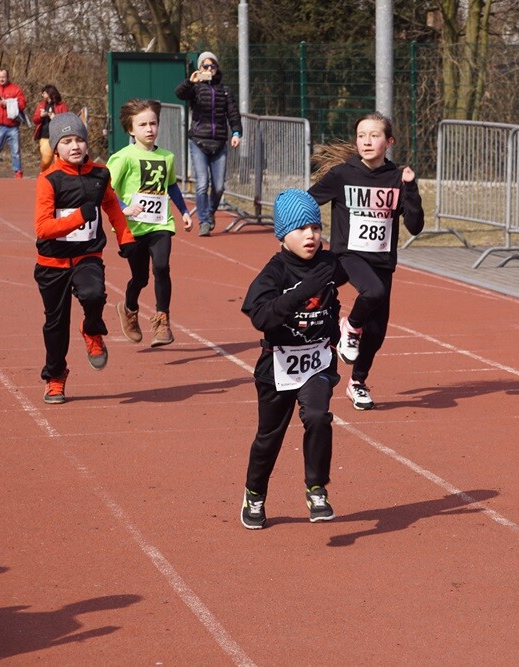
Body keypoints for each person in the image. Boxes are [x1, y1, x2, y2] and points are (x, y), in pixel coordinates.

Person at [239, 189, 346, 529]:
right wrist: (302, 291)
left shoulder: (329, 263)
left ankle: (316, 489)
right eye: (301, 229)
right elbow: (260, 316)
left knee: (317, 416)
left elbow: (360, 268)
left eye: (315, 227)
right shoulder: (274, 272)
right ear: (283, 235)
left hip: (317, 362)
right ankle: (254, 494)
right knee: (269, 438)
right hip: (278, 366)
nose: (310, 235)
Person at [308, 112, 425, 411]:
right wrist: (300, 231)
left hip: (382, 260)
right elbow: (307, 201)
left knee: (377, 333)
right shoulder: (342, 175)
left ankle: (357, 382)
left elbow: (415, 226)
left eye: (374, 135)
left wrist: (411, 188)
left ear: (389, 141)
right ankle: (350, 326)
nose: (367, 141)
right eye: (361, 136)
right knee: (373, 292)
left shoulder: (397, 178)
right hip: (348, 254)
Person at [34, 113, 136, 404]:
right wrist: (79, 216)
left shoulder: (100, 175)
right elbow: (43, 228)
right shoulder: (49, 180)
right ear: (56, 147)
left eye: (79, 139)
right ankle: (55, 377)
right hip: (52, 263)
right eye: (66, 141)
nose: (75, 146)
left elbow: (112, 206)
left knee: (94, 295)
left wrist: (125, 238)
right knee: (55, 326)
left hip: (86, 256)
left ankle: (91, 330)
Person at [107, 99, 193, 347]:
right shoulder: (123, 157)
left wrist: (184, 211)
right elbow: (107, 189)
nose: (149, 129)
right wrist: (125, 208)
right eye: (142, 125)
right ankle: (129, 308)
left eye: (153, 123)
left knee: (162, 267)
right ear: (131, 129)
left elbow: (171, 185)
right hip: (132, 228)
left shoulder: (167, 156)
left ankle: (162, 320)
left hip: (159, 224)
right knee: (141, 278)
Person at [174, 51, 242, 237]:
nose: (209, 69)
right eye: (205, 66)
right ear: (200, 68)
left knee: (219, 187)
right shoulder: (195, 89)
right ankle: (203, 221)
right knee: (202, 184)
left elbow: (233, 114)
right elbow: (179, 93)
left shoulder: (225, 90)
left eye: (213, 66)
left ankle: (210, 212)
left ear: (217, 68)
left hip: (219, 142)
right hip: (199, 141)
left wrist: (236, 133)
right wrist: (190, 82)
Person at [0, 69, 27, 179]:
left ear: (8, 77)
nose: (1, 79)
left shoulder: (15, 89)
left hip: (13, 126)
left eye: (3, 77)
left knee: (16, 150)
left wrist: (8, 102)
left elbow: (22, 104)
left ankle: (18, 172)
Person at [31, 85, 68, 172]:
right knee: (46, 160)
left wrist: (55, 117)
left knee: (59, 161)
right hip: (45, 136)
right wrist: (41, 116)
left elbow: (66, 120)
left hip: (59, 137)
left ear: (50, 93)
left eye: (44, 93)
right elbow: (35, 120)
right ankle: (43, 174)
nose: (42, 95)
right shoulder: (41, 105)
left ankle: (58, 177)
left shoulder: (62, 105)